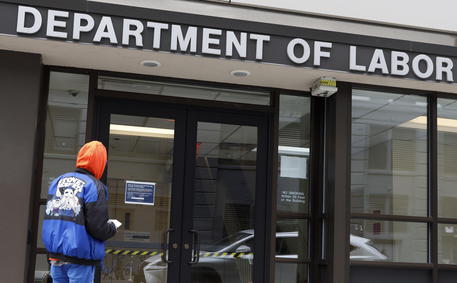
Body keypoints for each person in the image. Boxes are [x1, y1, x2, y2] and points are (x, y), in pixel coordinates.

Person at [42, 141, 122, 283]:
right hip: (80, 259)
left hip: (56, 257)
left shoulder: (58, 181)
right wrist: (112, 227)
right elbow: (98, 228)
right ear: (101, 163)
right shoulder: (95, 186)